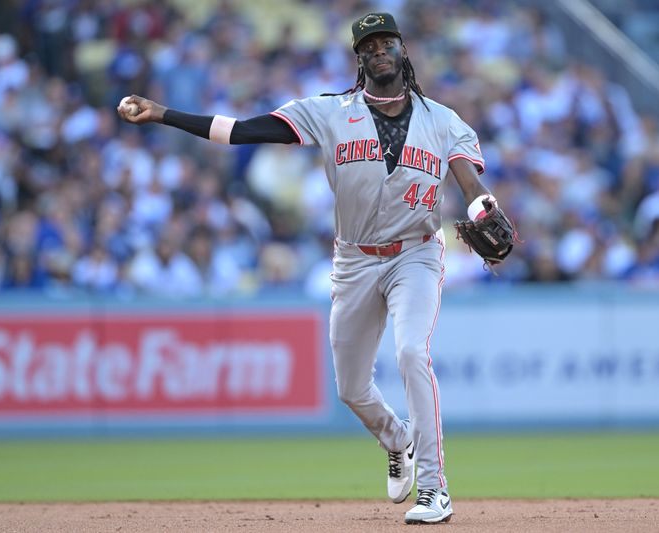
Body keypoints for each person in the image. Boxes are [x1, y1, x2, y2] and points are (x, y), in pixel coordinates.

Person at [118, 12, 509, 524]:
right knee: (350, 388)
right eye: (368, 45)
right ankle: (397, 439)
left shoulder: (443, 120)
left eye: (386, 41)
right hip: (354, 261)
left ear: (403, 50)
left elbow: (472, 189)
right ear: (359, 58)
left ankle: (435, 489)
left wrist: (485, 211)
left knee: (413, 351)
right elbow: (239, 131)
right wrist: (163, 114)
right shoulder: (328, 112)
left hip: (416, 253)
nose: (378, 50)